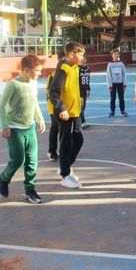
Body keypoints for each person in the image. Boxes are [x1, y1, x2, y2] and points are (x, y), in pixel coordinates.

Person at [0, 54, 46, 204]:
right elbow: (2, 105)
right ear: (25, 70)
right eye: (37, 71)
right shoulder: (13, 85)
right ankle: (3, 178)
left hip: (30, 127)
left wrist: (40, 118)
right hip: (15, 129)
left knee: (32, 161)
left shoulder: (33, 83)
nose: (40, 74)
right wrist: (4, 125)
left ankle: (30, 190)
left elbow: (34, 102)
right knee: (18, 160)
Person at [49, 42, 86, 189]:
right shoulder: (63, 69)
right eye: (81, 54)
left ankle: (65, 167)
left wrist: (80, 101)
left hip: (75, 112)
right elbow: (54, 92)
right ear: (72, 54)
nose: (83, 57)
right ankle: (65, 175)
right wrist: (61, 108)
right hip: (65, 113)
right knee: (65, 143)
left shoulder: (75, 68)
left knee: (78, 139)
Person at [46, 50, 65, 161]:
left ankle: (62, 150)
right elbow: (50, 92)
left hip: (63, 105)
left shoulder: (69, 72)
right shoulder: (54, 75)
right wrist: (57, 105)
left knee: (63, 128)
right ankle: (52, 151)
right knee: (56, 127)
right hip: (54, 105)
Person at [106, 48, 128, 118]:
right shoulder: (110, 64)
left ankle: (123, 110)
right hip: (113, 84)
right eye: (115, 54)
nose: (116, 55)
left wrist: (124, 83)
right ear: (112, 55)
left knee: (121, 98)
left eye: (117, 54)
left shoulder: (121, 64)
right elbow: (108, 75)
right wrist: (109, 85)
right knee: (113, 98)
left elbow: (124, 74)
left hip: (120, 83)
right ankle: (112, 111)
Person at [79, 55, 91, 129]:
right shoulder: (77, 68)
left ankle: (80, 121)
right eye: (82, 59)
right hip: (78, 90)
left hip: (84, 90)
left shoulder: (87, 68)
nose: (83, 60)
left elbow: (88, 79)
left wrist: (88, 89)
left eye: (84, 59)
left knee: (83, 107)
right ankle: (83, 122)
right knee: (81, 107)